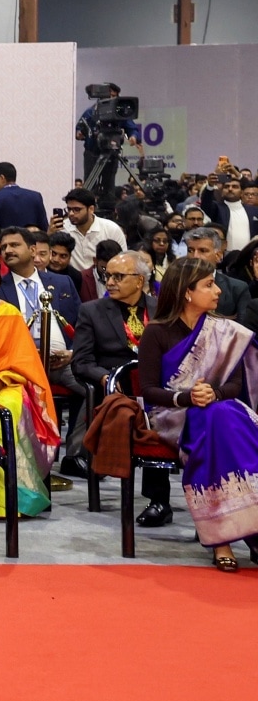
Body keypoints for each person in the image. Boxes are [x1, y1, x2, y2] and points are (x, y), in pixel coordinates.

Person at [136, 257, 258, 571]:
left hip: (217, 412)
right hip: (172, 414)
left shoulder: (225, 331)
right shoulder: (157, 332)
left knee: (219, 416)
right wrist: (186, 397)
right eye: (209, 285)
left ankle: (225, 538)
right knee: (218, 420)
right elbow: (148, 390)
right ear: (187, 292)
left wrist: (212, 394)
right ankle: (236, 536)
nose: (218, 291)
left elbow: (234, 385)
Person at [0, 251, 62, 519]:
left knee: (1, 411)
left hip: (6, 384)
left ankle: (3, 501)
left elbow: (21, 363)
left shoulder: (9, 315)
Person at [69, 250, 156, 484]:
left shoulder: (161, 309)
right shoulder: (91, 311)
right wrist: (103, 377)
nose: (109, 282)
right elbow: (81, 361)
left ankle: (157, 496)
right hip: (114, 386)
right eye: (107, 276)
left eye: (118, 277)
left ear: (139, 280)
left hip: (154, 386)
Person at [183, 227, 254, 325]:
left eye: (202, 250)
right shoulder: (176, 282)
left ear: (218, 255)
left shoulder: (237, 288)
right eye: (190, 250)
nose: (195, 256)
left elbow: (243, 328)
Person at [50, 187, 126, 271]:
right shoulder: (62, 228)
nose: (71, 213)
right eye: (69, 209)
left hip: (103, 275)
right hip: (71, 276)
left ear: (91, 209)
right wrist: (49, 235)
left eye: (76, 209)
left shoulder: (111, 229)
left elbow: (123, 260)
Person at [0, 162, 48, 231]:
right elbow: (44, 228)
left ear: (2, 178)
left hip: (4, 238)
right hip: (31, 238)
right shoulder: (36, 197)